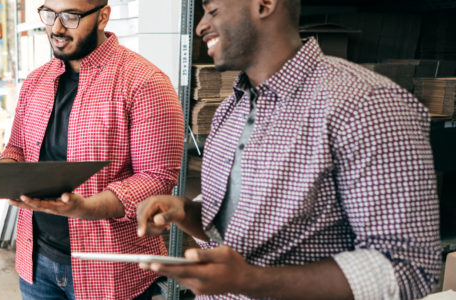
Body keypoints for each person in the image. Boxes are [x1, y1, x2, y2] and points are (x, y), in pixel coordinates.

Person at [136, 0, 441, 299]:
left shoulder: (366, 103)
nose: (202, 25)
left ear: (265, 4)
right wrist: (187, 212)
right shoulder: (232, 108)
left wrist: (249, 280)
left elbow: (408, 271)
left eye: (213, 9)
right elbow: (238, 230)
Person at [0, 0, 184, 298]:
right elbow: (18, 148)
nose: (56, 28)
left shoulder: (145, 82)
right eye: (49, 14)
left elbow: (156, 178)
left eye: (71, 17)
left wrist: (85, 208)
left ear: (103, 17)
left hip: (109, 269)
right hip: (37, 262)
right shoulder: (35, 82)